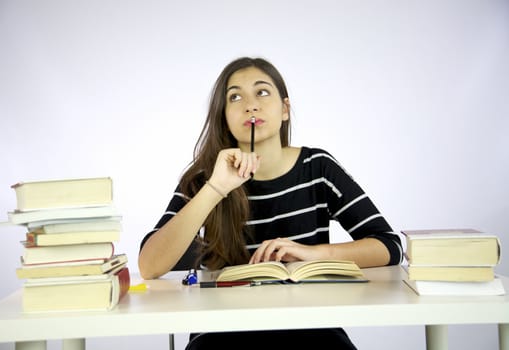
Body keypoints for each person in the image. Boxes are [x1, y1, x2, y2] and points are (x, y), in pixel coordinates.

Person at [139, 57, 403, 350]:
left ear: (285, 109)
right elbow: (149, 266)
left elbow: (389, 246)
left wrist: (312, 254)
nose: (250, 105)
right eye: (235, 97)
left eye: (262, 92)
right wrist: (215, 188)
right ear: (224, 117)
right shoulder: (206, 177)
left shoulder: (317, 168)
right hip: (221, 334)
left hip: (311, 329)